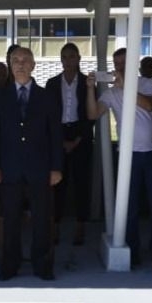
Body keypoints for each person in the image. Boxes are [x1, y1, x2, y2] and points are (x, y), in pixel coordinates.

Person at [0, 45, 61, 281]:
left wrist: (56, 167)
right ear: (10, 65)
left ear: (33, 65)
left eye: (25, 60)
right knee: (10, 220)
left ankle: (42, 265)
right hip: (9, 168)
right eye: (15, 60)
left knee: (41, 220)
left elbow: (56, 135)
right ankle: (10, 264)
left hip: (40, 168)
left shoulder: (46, 96)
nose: (20, 64)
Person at [85, 48, 152, 267]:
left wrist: (127, 87)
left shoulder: (147, 83)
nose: (119, 67)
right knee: (129, 208)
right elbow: (92, 114)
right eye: (116, 63)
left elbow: (150, 105)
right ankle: (134, 252)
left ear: (133, 64)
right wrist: (90, 89)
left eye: (124, 63)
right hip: (127, 155)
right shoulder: (111, 93)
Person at [49, 43, 95, 246]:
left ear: (78, 59)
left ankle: (80, 226)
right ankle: (55, 225)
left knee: (81, 183)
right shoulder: (51, 84)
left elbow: (91, 116)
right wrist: (60, 141)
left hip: (81, 136)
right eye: (65, 57)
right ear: (61, 60)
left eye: (72, 56)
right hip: (58, 135)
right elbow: (48, 116)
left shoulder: (87, 83)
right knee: (57, 182)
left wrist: (76, 140)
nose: (68, 60)